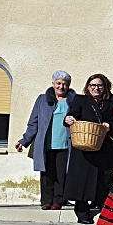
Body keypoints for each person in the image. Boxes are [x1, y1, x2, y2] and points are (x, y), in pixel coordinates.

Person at [16, 71, 76, 210]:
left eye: (65, 84)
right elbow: (34, 122)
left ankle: (58, 201)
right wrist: (24, 141)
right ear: (53, 84)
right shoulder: (42, 99)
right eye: (58, 83)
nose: (61, 86)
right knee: (46, 173)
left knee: (61, 174)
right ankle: (46, 200)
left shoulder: (73, 100)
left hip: (66, 144)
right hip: (46, 143)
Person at [65, 74, 113, 224]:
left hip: (102, 146)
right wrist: (68, 119)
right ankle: (82, 211)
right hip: (83, 146)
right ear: (88, 87)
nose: (96, 88)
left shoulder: (110, 103)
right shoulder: (80, 100)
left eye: (99, 85)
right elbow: (71, 116)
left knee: (102, 178)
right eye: (93, 85)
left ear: (105, 87)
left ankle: (103, 207)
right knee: (82, 180)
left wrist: (110, 125)